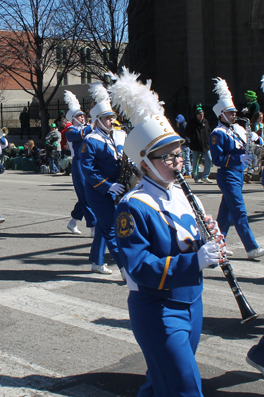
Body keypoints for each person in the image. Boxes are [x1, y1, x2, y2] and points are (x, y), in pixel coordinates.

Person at [113, 67, 223, 396]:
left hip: (193, 300)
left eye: (178, 154)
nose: (178, 162)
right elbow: (140, 266)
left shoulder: (182, 194)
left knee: (161, 383)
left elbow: (194, 242)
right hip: (158, 307)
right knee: (185, 387)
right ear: (145, 162)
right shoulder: (133, 206)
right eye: (168, 157)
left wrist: (210, 240)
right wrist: (195, 261)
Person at [210, 77, 264, 259]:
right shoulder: (217, 134)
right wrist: (238, 157)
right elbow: (217, 159)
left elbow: (251, 140)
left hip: (238, 175)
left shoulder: (236, 129)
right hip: (227, 175)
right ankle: (251, 248)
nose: (234, 115)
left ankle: (216, 245)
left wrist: (257, 140)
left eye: (234, 112)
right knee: (239, 211)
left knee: (225, 214)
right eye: (230, 113)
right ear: (221, 115)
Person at [80, 83, 125, 275]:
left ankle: (97, 262)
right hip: (98, 191)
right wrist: (107, 186)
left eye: (112, 117)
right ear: (97, 120)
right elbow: (87, 170)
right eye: (107, 118)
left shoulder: (117, 136)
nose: (111, 121)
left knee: (104, 226)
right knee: (111, 229)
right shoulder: (90, 140)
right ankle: (125, 269)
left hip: (117, 188)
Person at [64, 90, 97, 237]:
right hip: (79, 163)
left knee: (85, 196)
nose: (82, 117)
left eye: (83, 115)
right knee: (86, 196)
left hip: (90, 162)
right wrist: (93, 124)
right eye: (79, 116)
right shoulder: (70, 130)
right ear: (73, 118)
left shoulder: (87, 128)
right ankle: (94, 226)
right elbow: (80, 135)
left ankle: (73, 222)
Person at [185, 104, 213, 183]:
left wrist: (208, 139)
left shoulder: (205, 121)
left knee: (209, 159)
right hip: (196, 145)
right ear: (197, 115)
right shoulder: (192, 122)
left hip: (205, 145)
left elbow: (208, 131)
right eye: (200, 114)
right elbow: (187, 132)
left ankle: (205, 176)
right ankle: (196, 177)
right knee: (195, 162)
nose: (202, 116)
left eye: (202, 114)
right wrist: (193, 138)